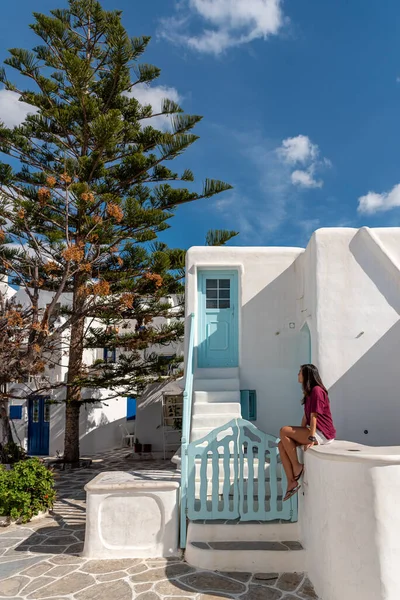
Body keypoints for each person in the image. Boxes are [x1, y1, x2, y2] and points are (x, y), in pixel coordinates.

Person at [278, 364, 336, 501]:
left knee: (283, 430)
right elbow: (306, 417)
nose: (298, 375)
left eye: (300, 372)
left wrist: (310, 437)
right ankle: (291, 482)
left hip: (322, 433)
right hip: (314, 431)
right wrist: (297, 435)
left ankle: (297, 467)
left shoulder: (317, 391)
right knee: (282, 445)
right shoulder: (309, 392)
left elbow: (314, 416)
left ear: (307, 375)